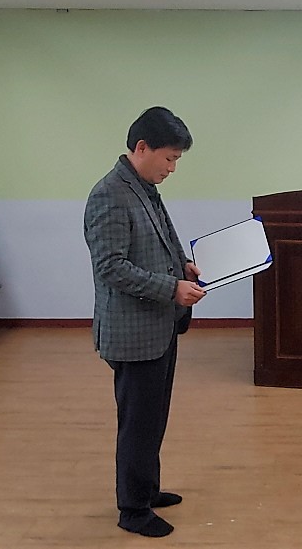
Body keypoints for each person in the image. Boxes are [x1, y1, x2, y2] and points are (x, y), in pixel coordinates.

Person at [83, 106, 206, 538]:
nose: (172, 168)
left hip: (158, 326)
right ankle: (133, 509)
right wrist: (171, 288)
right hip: (133, 332)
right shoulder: (110, 195)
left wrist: (183, 265)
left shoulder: (143, 187)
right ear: (142, 147)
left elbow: (160, 241)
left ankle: (147, 489)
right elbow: (111, 267)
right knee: (137, 424)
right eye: (169, 158)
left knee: (152, 419)